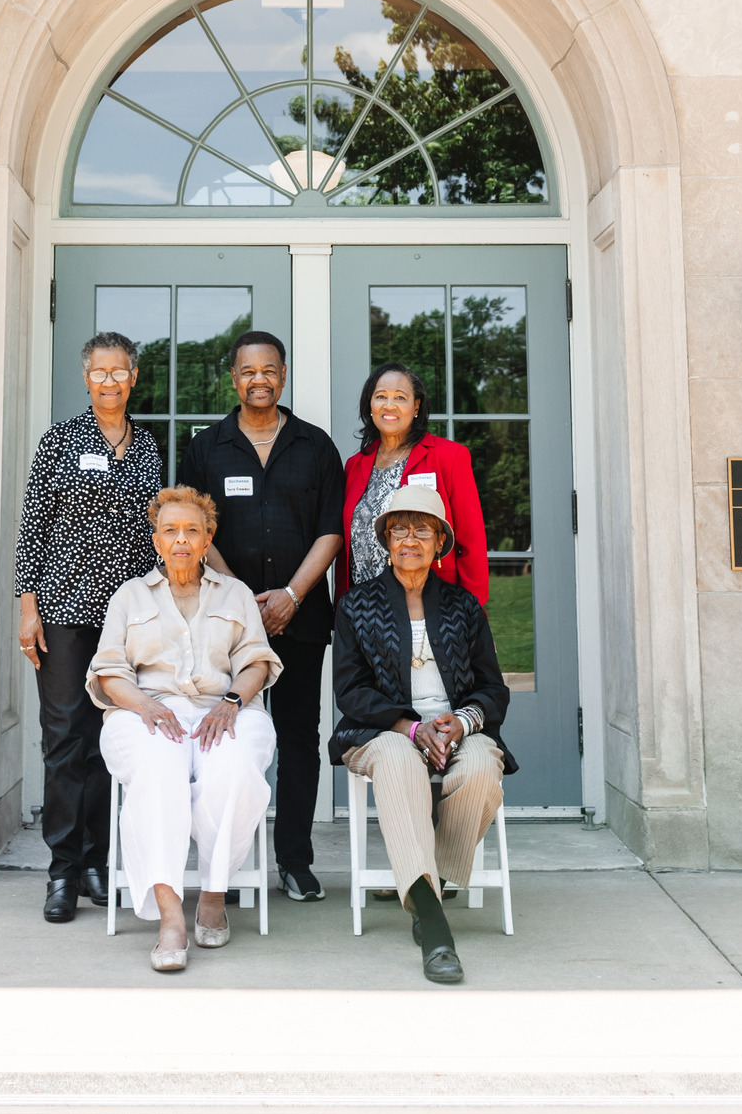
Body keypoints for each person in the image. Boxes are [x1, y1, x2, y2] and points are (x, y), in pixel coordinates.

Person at [179, 330, 344, 903]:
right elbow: (197, 529)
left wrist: (291, 596)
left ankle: (294, 860)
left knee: (299, 736)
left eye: (269, 370)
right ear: (233, 377)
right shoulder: (206, 448)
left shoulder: (316, 446)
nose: (259, 380)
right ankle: (223, 859)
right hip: (226, 623)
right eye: (248, 371)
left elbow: (331, 531)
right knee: (226, 739)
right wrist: (243, 600)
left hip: (300, 618)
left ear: (283, 374)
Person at [89, 487, 281, 972]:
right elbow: (109, 672)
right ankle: (170, 915)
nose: (181, 540)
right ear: (156, 539)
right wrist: (144, 707)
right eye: (170, 531)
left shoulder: (235, 594)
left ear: (207, 538)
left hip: (224, 708)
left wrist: (234, 701)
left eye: (192, 531)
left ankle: (213, 894)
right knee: (159, 774)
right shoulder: (130, 596)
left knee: (235, 771)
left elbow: (257, 661)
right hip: (146, 711)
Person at [330, 486, 514, 986]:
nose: (410, 539)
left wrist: (463, 722)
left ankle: (426, 876)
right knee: (397, 759)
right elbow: (350, 690)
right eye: (399, 529)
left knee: (480, 770)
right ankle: (432, 921)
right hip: (383, 729)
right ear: (386, 539)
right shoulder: (356, 605)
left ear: (440, 544)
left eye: (423, 530)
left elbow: (493, 687)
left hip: (457, 725)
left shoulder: (462, 606)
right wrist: (410, 726)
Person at [15, 331, 163, 924]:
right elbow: (33, 530)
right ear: (86, 379)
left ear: (132, 378)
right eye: (99, 371)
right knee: (66, 739)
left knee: (115, 741)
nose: (109, 381)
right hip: (65, 610)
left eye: (119, 371)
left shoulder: (148, 449)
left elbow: (155, 538)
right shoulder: (60, 442)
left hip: (126, 617)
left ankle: (100, 861)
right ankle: (63, 870)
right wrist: (29, 609)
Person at [340, 364, 489, 605]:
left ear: (416, 406)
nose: (389, 405)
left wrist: (472, 609)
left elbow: (471, 541)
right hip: (363, 608)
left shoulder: (449, 457)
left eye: (400, 397)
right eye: (381, 397)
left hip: (433, 603)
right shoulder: (354, 466)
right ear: (370, 404)